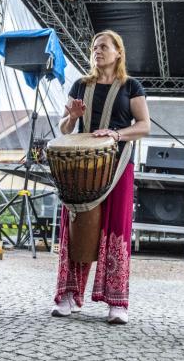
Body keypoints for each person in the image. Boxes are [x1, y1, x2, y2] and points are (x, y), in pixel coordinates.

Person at [51, 30, 150, 324]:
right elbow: (64, 128)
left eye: (104, 46)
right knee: (76, 227)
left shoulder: (131, 86)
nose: (97, 51)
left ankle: (116, 302)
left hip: (118, 163)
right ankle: (69, 295)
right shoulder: (80, 85)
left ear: (118, 52)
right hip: (82, 167)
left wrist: (116, 134)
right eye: (94, 47)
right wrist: (72, 116)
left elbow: (144, 125)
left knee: (116, 226)